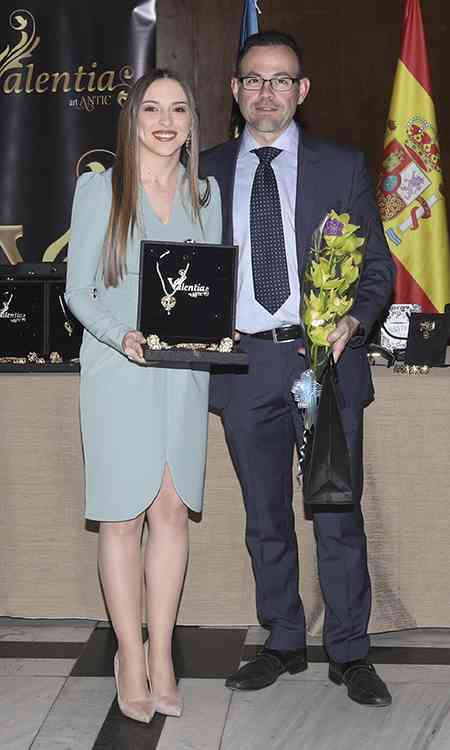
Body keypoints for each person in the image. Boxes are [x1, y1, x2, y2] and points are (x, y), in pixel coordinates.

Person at [200, 30, 395, 707]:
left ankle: (350, 652)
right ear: (235, 90)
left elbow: (377, 269)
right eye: (254, 79)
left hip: (323, 363)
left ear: (301, 91)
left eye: (281, 80)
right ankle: (283, 639)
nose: (267, 93)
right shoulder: (205, 171)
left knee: (337, 513)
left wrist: (353, 321)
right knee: (265, 517)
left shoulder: (341, 166)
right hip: (245, 366)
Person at [65, 69, 222, 723]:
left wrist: (220, 328)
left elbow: (212, 287)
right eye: (152, 108)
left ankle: (163, 656)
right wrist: (120, 335)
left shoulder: (205, 194)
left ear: (191, 123)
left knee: (171, 512)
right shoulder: (101, 189)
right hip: (118, 370)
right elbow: (79, 292)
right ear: (132, 118)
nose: (165, 121)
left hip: (183, 375)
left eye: (178, 109)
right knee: (122, 518)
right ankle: (129, 656)